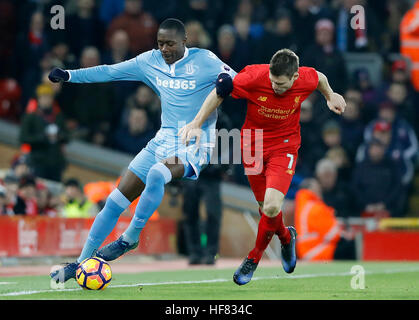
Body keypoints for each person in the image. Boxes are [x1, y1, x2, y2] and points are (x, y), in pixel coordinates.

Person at [49, 18, 236, 283]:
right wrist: (70, 75)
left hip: (195, 144)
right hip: (162, 140)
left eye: (170, 43)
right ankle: (80, 265)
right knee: (114, 201)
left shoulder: (205, 60)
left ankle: (130, 237)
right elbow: (110, 71)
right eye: (160, 44)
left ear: (184, 41)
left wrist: (231, 82)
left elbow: (240, 81)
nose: (164, 49)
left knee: (158, 174)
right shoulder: (150, 61)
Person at [179, 48, 346, 285]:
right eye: (273, 82)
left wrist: (330, 95)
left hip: (285, 146)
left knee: (270, 207)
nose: (276, 87)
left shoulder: (305, 77)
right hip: (253, 145)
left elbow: (319, 77)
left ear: (295, 77)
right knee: (265, 209)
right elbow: (221, 90)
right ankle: (287, 237)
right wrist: (196, 122)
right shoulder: (254, 77)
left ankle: (253, 258)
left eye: (281, 84)